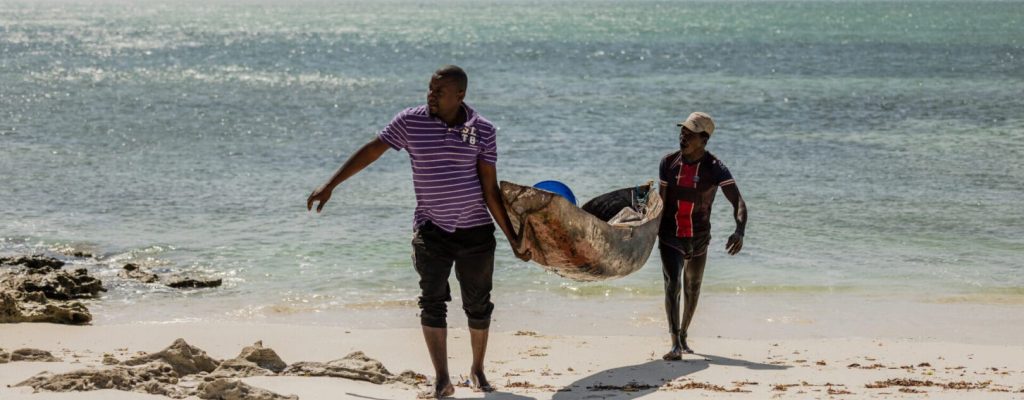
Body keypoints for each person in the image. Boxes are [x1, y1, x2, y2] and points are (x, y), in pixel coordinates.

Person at [306, 65, 529, 398]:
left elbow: (489, 188)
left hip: (475, 230)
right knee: (431, 303)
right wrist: (331, 185)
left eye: (439, 91)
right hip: (430, 229)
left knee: (479, 305)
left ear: (460, 95)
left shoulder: (482, 129)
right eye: (429, 88)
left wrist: (512, 237)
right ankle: (442, 378)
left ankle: (477, 369)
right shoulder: (410, 121)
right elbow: (372, 150)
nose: (431, 95)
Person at [657, 112, 747, 360]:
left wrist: (739, 230)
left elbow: (737, 201)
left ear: (704, 139)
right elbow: (661, 203)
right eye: (682, 132)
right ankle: (674, 342)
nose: (682, 137)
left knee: (693, 287)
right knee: (672, 284)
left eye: (689, 134)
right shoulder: (668, 163)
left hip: (699, 236)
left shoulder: (715, 168)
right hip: (670, 234)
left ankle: (684, 333)